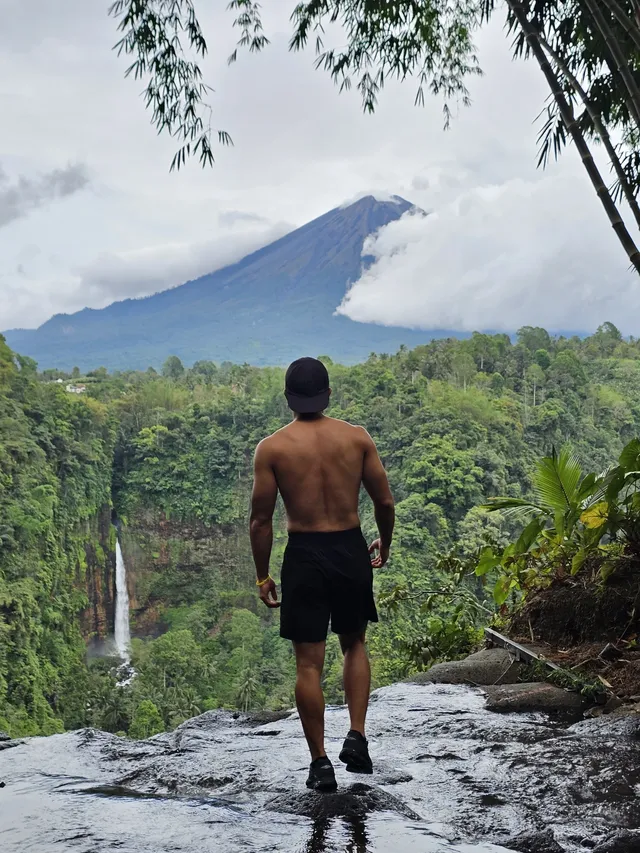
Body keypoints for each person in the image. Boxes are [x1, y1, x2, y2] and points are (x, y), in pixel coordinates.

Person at [249, 357, 395, 793]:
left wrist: (262, 577)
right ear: (328, 394)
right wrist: (383, 544)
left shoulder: (272, 448)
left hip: (305, 554)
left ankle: (320, 764)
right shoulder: (356, 438)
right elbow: (384, 502)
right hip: (350, 548)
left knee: (308, 663)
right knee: (354, 643)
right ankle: (357, 735)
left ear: (288, 398)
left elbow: (260, 522)